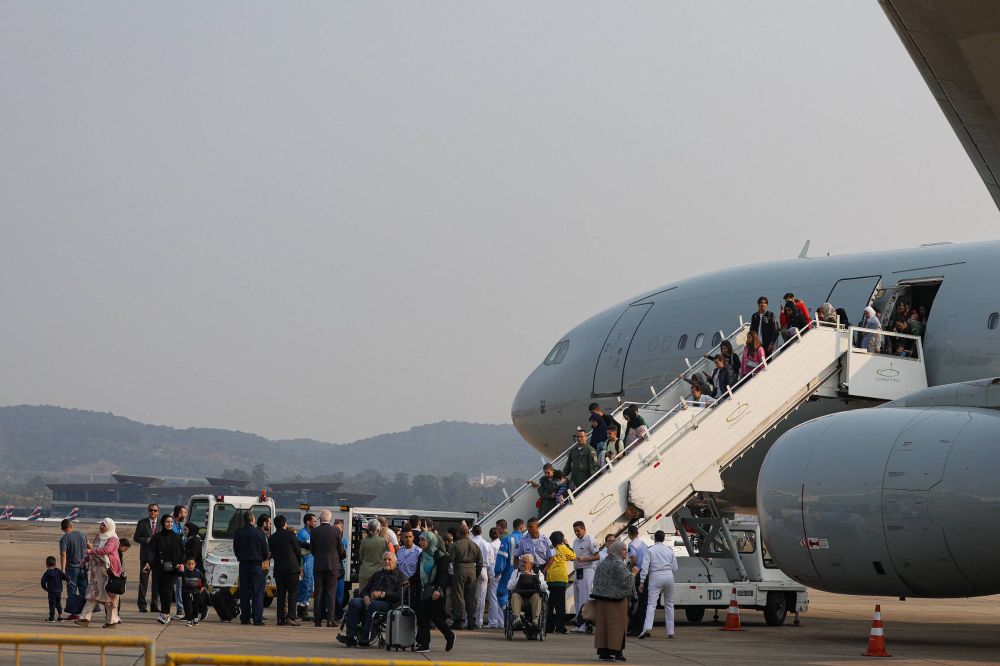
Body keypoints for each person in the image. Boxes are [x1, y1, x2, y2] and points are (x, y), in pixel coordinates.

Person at [337, 551, 409, 647]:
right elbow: (365, 590)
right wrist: (365, 597)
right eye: (385, 559)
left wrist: (382, 594)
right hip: (370, 601)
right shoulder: (377, 575)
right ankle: (352, 636)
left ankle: (365, 637)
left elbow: (399, 595)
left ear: (395, 562)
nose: (387, 561)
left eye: (389, 559)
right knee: (354, 602)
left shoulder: (401, 577)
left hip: (388, 603)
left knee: (374, 605)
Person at [590, 540, 636, 662]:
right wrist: (634, 573)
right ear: (617, 551)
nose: (626, 551)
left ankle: (603, 652)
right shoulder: (618, 564)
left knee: (603, 627)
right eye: (624, 549)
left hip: (601, 601)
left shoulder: (603, 563)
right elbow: (627, 581)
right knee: (617, 627)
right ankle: (617, 652)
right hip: (617, 602)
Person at [412, 533, 455, 653]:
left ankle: (449, 635)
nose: (420, 542)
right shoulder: (422, 555)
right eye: (420, 540)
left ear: (430, 541)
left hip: (436, 592)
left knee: (437, 618)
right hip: (424, 591)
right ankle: (424, 644)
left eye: (422, 540)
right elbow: (418, 572)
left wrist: (438, 589)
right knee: (423, 617)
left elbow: (443, 575)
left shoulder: (440, 556)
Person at [75, 518, 122, 628]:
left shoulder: (113, 539)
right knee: (92, 594)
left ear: (109, 527)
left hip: (108, 573)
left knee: (109, 598)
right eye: (101, 524)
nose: (101, 527)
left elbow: (107, 550)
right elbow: (95, 549)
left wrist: (90, 551)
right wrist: (85, 559)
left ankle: (112, 620)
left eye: (104, 525)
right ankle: (85, 618)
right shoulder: (99, 536)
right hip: (96, 573)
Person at [638, 530, 678, 639]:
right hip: (669, 576)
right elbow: (675, 567)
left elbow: (645, 566)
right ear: (664, 538)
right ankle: (670, 631)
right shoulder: (669, 551)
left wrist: (642, 581)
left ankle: (647, 626)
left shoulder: (650, 550)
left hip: (655, 576)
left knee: (651, 604)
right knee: (669, 604)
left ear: (654, 538)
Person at [145, 513, 183, 625]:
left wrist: (181, 563)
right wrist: (148, 564)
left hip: (172, 569)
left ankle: (166, 615)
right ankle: (164, 613)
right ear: (163, 523)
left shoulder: (177, 537)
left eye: (171, 522)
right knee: (161, 591)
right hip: (159, 568)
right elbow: (151, 552)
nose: (170, 524)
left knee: (167, 590)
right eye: (167, 522)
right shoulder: (157, 537)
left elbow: (181, 552)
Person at [232, 510, 269, 626]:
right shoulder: (259, 533)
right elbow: (265, 551)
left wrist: (240, 557)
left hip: (243, 565)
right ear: (253, 520)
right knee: (257, 593)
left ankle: (245, 618)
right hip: (256, 565)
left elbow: (236, 549)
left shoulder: (239, 532)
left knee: (244, 592)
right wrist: (261, 559)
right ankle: (257, 619)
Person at [311, 509, 346, 627]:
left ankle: (317, 619)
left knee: (318, 592)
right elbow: (341, 549)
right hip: (332, 566)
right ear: (330, 519)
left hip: (319, 565)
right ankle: (330, 619)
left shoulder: (314, 531)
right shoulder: (336, 531)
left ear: (320, 519)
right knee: (331, 592)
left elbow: (313, 549)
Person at [268, 515, 302, 626]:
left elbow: (271, 553)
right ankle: (291, 618)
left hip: (279, 570)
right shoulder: (291, 535)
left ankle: (280, 618)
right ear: (284, 524)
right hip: (292, 569)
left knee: (281, 595)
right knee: (292, 593)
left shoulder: (271, 538)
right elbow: (298, 551)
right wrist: (298, 564)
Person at [449, 524, 483, 630]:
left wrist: (452, 574)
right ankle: (471, 622)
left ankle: (458, 621)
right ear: (468, 533)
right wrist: (476, 573)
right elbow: (480, 562)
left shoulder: (454, 545)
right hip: (472, 571)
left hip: (459, 570)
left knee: (459, 596)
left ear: (459, 533)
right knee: (471, 597)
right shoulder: (475, 545)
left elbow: (450, 560)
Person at [543, 530, 575, 634]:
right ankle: (560, 627)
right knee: (560, 605)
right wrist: (567, 544)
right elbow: (573, 556)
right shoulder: (564, 548)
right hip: (561, 580)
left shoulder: (549, 548)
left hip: (550, 579)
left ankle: (549, 627)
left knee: (550, 604)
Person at [571, 521, 600, 633]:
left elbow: (597, 556)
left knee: (584, 598)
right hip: (577, 571)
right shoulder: (575, 541)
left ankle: (586, 625)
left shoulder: (590, 540)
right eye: (575, 531)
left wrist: (585, 559)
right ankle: (580, 624)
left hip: (587, 571)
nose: (576, 533)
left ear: (584, 529)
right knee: (577, 599)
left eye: (578, 530)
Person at [507, 554, 547, 630]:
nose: (522, 564)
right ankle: (517, 619)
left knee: (537, 596)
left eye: (524, 562)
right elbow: (509, 587)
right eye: (521, 561)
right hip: (520, 599)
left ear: (531, 564)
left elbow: (544, 587)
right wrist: (520, 577)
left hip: (532, 599)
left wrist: (535, 580)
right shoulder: (516, 572)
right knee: (514, 595)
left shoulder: (538, 573)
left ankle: (535, 620)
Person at [59, 518, 89, 620]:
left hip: (71, 569)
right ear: (71, 526)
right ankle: (86, 613)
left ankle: (74, 613)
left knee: (72, 591)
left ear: (62, 528)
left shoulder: (64, 539)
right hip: (83, 568)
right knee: (84, 590)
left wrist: (63, 570)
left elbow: (63, 554)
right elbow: (90, 547)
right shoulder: (82, 534)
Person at [132, 504, 159, 614]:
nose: (153, 512)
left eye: (155, 510)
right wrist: (146, 540)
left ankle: (154, 605)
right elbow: (136, 537)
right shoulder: (142, 522)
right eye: (151, 510)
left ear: (158, 511)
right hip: (145, 558)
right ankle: (142, 605)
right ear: (148, 511)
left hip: (157, 558)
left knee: (156, 583)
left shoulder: (162, 523)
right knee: (144, 582)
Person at [494, 519, 524, 613]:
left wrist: (497, 571)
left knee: (502, 594)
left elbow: (501, 557)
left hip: (509, 572)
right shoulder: (526, 539)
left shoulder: (507, 539)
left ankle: (510, 614)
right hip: (525, 573)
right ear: (522, 527)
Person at [625, 525, 648, 636]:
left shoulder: (632, 545)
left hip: (637, 574)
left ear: (629, 533)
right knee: (643, 602)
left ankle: (636, 628)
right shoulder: (643, 544)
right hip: (645, 574)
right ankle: (643, 627)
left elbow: (633, 559)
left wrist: (628, 569)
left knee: (636, 601)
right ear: (638, 533)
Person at [470, 524, 494, 629]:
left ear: (472, 532)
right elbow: (491, 561)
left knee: (470, 597)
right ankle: (479, 621)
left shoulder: (470, 542)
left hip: (470, 569)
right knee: (481, 598)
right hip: (483, 570)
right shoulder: (487, 544)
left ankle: (469, 619)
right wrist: (490, 575)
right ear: (481, 532)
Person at [357, 518, 388, 593]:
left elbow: (361, 557)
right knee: (374, 597)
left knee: (363, 596)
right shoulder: (383, 541)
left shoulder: (364, 541)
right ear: (378, 529)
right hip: (378, 572)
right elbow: (386, 556)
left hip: (364, 572)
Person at [295, 513, 317, 621]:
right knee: (304, 587)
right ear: (308, 522)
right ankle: (301, 611)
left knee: (309, 588)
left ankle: (305, 608)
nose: (315, 523)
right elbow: (299, 551)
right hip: (304, 565)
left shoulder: (312, 534)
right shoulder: (302, 534)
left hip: (311, 564)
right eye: (313, 521)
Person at [170, 505, 188, 620]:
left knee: (180, 585)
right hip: (175, 561)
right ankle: (180, 609)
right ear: (179, 514)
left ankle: (181, 609)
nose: (185, 515)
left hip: (182, 560)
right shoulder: (172, 526)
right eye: (184, 513)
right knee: (177, 585)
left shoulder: (181, 525)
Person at [180, 557, 207, 626]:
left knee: (196, 606)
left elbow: (204, 580)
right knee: (188, 606)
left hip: (196, 592)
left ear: (195, 564)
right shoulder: (184, 573)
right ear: (186, 565)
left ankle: (195, 618)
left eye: (192, 564)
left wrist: (202, 587)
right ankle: (189, 620)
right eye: (189, 564)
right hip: (186, 592)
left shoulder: (198, 572)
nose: (191, 566)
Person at [42, 555, 69, 622]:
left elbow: (43, 582)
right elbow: (65, 576)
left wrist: (45, 588)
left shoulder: (47, 573)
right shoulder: (58, 571)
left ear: (46, 564)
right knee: (58, 603)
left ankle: (52, 617)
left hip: (51, 591)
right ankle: (60, 616)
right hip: (59, 590)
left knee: (52, 603)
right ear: (55, 564)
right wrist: (69, 580)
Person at [486, 527, 503, 629]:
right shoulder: (502, 544)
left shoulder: (490, 545)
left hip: (493, 572)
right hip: (502, 572)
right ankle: (502, 622)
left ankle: (493, 622)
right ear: (499, 535)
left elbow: (489, 561)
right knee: (501, 597)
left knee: (493, 597)